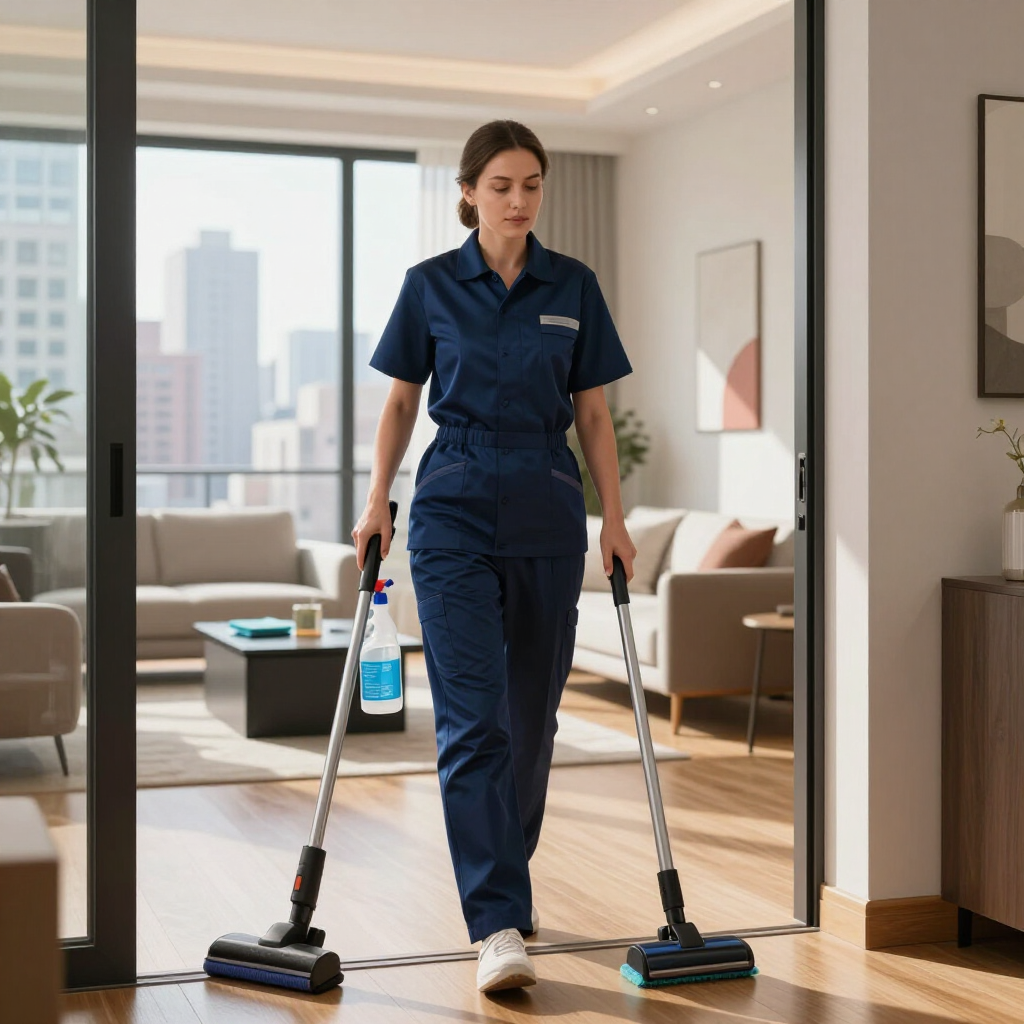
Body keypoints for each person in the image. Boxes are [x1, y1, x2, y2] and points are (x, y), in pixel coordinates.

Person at [352, 120, 636, 993]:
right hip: (452, 511)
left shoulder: (573, 286)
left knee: (531, 723)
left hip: (548, 507)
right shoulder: (430, 285)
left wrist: (615, 519)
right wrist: (376, 498)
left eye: (532, 185)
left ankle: (505, 876)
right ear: (469, 191)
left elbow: (593, 414)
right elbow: (402, 404)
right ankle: (497, 920)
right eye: (503, 186)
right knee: (474, 722)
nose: (519, 201)